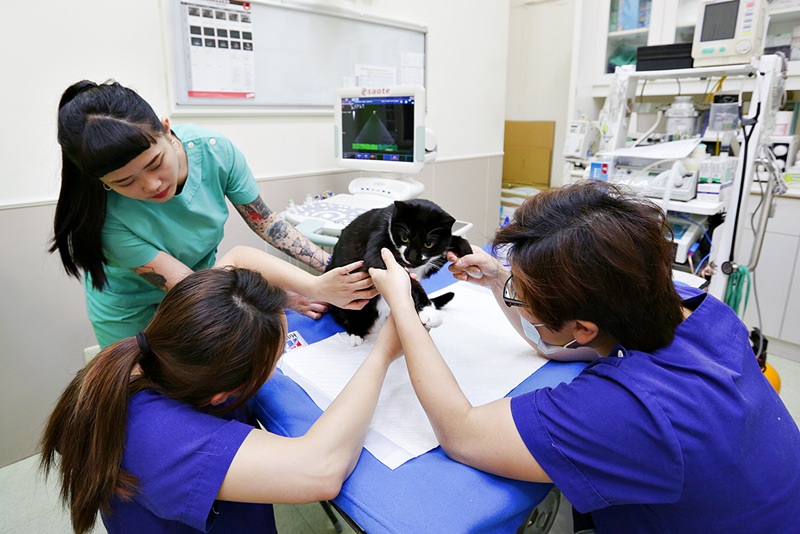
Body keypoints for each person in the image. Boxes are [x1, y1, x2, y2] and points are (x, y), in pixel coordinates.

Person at [369, 180, 800, 533]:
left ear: (584, 326)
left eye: (522, 292)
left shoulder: (628, 412)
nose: (515, 294)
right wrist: (502, 279)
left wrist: (405, 308)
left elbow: (461, 433)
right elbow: (560, 346)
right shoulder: (690, 306)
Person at [40, 267, 401, 534]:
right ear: (222, 394)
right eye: (274, 361)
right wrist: (384, 351)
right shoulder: (157, 436)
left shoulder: (170, 350)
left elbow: (239, 259)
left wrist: (310, 288)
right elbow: (322, 470)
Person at [50, 79, 375, 347]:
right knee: (149, 397)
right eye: (125, 182)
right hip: (132, 311)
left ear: (166, 128)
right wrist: (284, 296)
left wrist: (335, 267)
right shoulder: (105, 218)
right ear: (102, 181)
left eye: (154, 163)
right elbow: (192, 289)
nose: (151, 184)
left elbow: (266, 222)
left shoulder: (214, 151)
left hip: (205, 280)